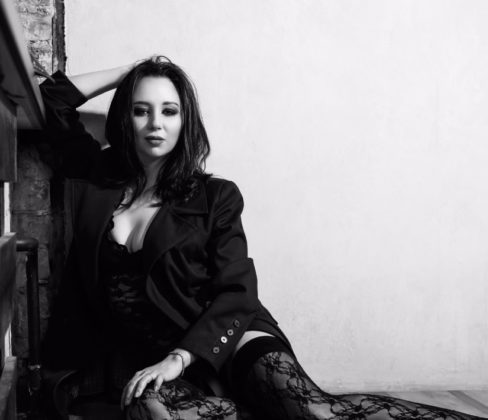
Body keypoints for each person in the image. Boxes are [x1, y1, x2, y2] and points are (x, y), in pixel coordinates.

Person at [39, 56, 485, 420]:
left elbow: (237, 293)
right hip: (152, 359)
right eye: (141, 110)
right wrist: (132, 71)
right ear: (126, 117)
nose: (156, 123)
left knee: (317, 413)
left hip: (229, 337)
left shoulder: (216, 196)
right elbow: (53, 99)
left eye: (169, 111)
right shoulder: (99, 178)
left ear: (185, 121)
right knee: (150, 410)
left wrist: (182, 356)